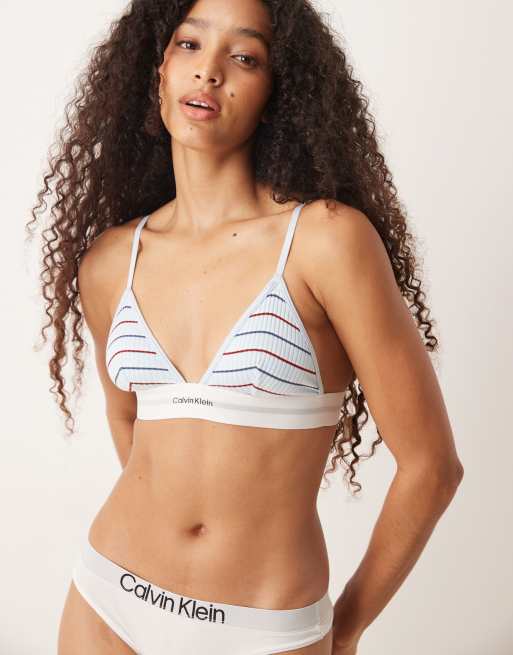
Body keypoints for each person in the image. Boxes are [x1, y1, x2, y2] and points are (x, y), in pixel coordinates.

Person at [27, 0, 464, 653]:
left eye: (244, 57)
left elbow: (431, 467)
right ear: (156, 72)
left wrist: (345, 628)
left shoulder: (325, 242)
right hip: (109, 601)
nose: (209, 71)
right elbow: (128, 418)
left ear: (277, 93)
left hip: (264, 629)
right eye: (188, 45)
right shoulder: (111, 262)